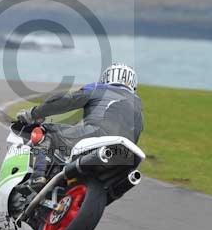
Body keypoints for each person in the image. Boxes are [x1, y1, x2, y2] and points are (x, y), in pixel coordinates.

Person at [16, 62, 144, 192]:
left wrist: (33, 113)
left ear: (106, 78)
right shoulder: (138, 105)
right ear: (133, 84)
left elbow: (65, 101)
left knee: (46, 132)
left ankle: (38, 176)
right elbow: (137, 133)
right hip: (126, 156)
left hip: (96, 135)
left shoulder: (98, 88)